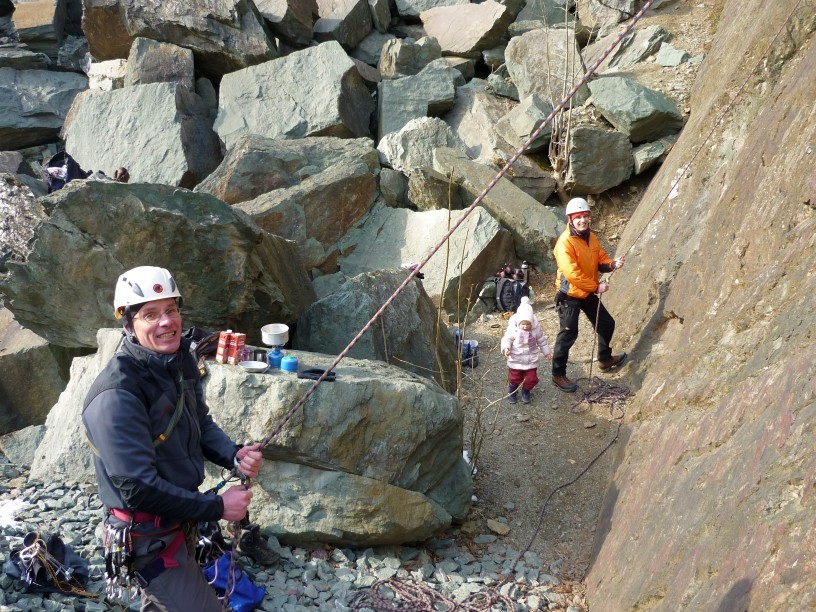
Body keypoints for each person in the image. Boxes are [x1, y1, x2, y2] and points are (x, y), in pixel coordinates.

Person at [83, 266, 267, 611]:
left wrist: (233, 454)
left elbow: (199, 421)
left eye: (171, 310)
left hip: (179, 516)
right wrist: (217, 507)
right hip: (146, 535)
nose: (166, 322)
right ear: (129, 326)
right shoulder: (117, 394)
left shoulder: (177, 359)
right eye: (151, 314)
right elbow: (136, 487)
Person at [551, 198, 626, 393]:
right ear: (570, 219)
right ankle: (558, 374)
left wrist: (611, 264)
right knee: (568, 332)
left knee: (606, 323)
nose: (583, 220)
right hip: (569, 294)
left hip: (586, 290)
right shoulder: (564, 243)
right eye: (579, 218)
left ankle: (604, 358)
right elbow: (572, 274)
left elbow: (600, 258)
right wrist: (595, 287)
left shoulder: (590, 236)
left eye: (585, 216)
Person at [501, 296, 552, 404]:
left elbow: (542, 341)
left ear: (532, 323)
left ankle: (526, 390)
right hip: (516, 358)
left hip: (531, 358)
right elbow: (507, 339)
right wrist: (506, 348)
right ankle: (512, 391)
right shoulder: (513, 330)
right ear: (519, 323)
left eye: (528, 324)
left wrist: (546, 352)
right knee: (514, 377)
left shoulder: (535, 330)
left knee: (531, 378)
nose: (525, 326)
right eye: (523, 324)